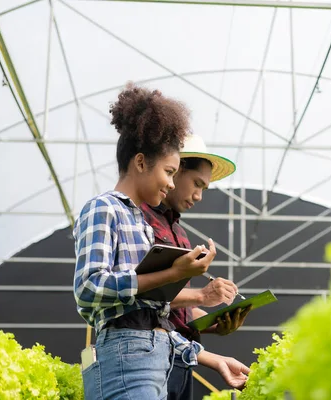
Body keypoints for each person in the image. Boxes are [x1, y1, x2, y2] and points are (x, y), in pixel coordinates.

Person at [73, 84, 234, 399]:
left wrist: (213, 359)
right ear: (141, 162)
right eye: (169, 171)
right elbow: (89, 288)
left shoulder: (142, 227)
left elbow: (155, 319)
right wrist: (175, 275)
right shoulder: (103, 208)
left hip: (156, 358)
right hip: (125, 358)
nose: (172, 183)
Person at [141, 134, 252, 400]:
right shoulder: (140, 220)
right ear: (174, 170)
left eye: (205, 188)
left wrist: (212, 324)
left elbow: (175, 306)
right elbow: (145, 295)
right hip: (150, 356)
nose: (199, 196)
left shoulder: (178, 232)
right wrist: (204, 295)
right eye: (196, 184)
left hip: (183, 355)